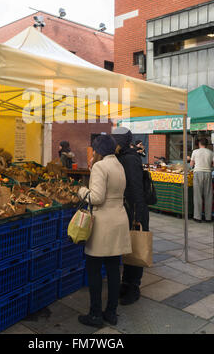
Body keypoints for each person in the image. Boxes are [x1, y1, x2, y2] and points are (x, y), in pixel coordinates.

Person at [77, 134, 131, 328]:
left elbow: (97, 197)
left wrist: (82, 191)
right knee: (113, 269)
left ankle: (95, 314)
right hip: (118, 219)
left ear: (98, 151)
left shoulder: (100, 166)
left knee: (93, 269)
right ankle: (111, 312)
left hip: (103, 224)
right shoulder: (118, 164)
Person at [112, 127, 149, 305]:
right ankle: (126, 284)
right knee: (128, 247)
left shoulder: (129, 159)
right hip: (128, 208)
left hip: (135, 209)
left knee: (135, 247)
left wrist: (138, 214)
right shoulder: (122, 157)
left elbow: (135, 188)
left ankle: (133, 287)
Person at [190, 137, 214, 222]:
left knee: (198, 195)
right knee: (208, 195)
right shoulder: (211, 152)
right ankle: (208, 217)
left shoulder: (195, 152)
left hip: (198, 173)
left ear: (199, 144)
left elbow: (191, 164)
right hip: (208, 173)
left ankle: (198, 217)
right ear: (206, 144)